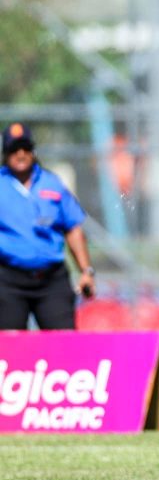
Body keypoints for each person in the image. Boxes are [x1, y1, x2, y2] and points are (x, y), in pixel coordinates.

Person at [0, 123, 96, 330]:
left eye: (25, 148)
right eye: (14, 149)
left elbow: (73, 228)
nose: (20, 154)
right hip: (8, 281)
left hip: (51, 280)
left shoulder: (52, 183)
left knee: (64, 343)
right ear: (5, 153)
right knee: (8, 347)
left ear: (33, 151)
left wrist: (86, 271)